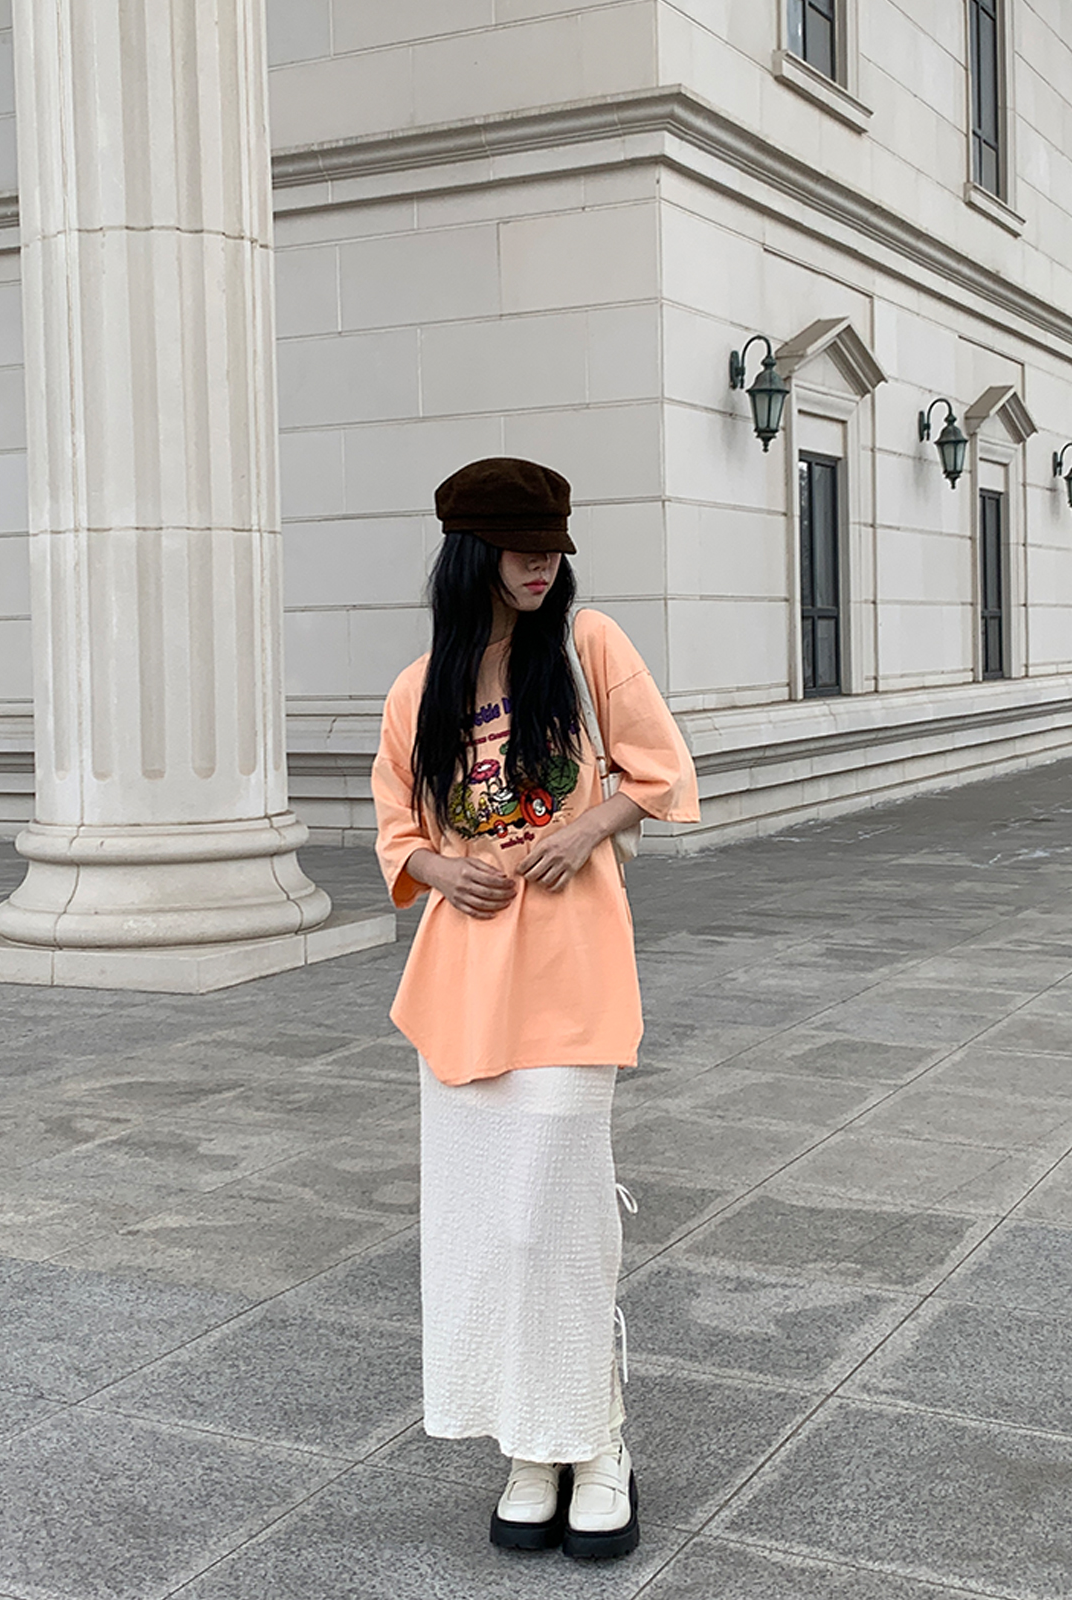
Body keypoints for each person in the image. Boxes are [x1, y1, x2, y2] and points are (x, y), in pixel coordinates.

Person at [371, 457, 700, 1560]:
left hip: (571, 977)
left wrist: (585, 827)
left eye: (551, 546)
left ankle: (595, 1439)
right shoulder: (420, 689)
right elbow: (396, 828)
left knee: (555, 1213)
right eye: (519, 548)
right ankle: (529, 1444)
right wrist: (437, 865)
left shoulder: (588, 647)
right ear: (472, 555)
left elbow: (662, 772)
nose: (540, 565)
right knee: (485, 1227)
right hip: (462, 987)